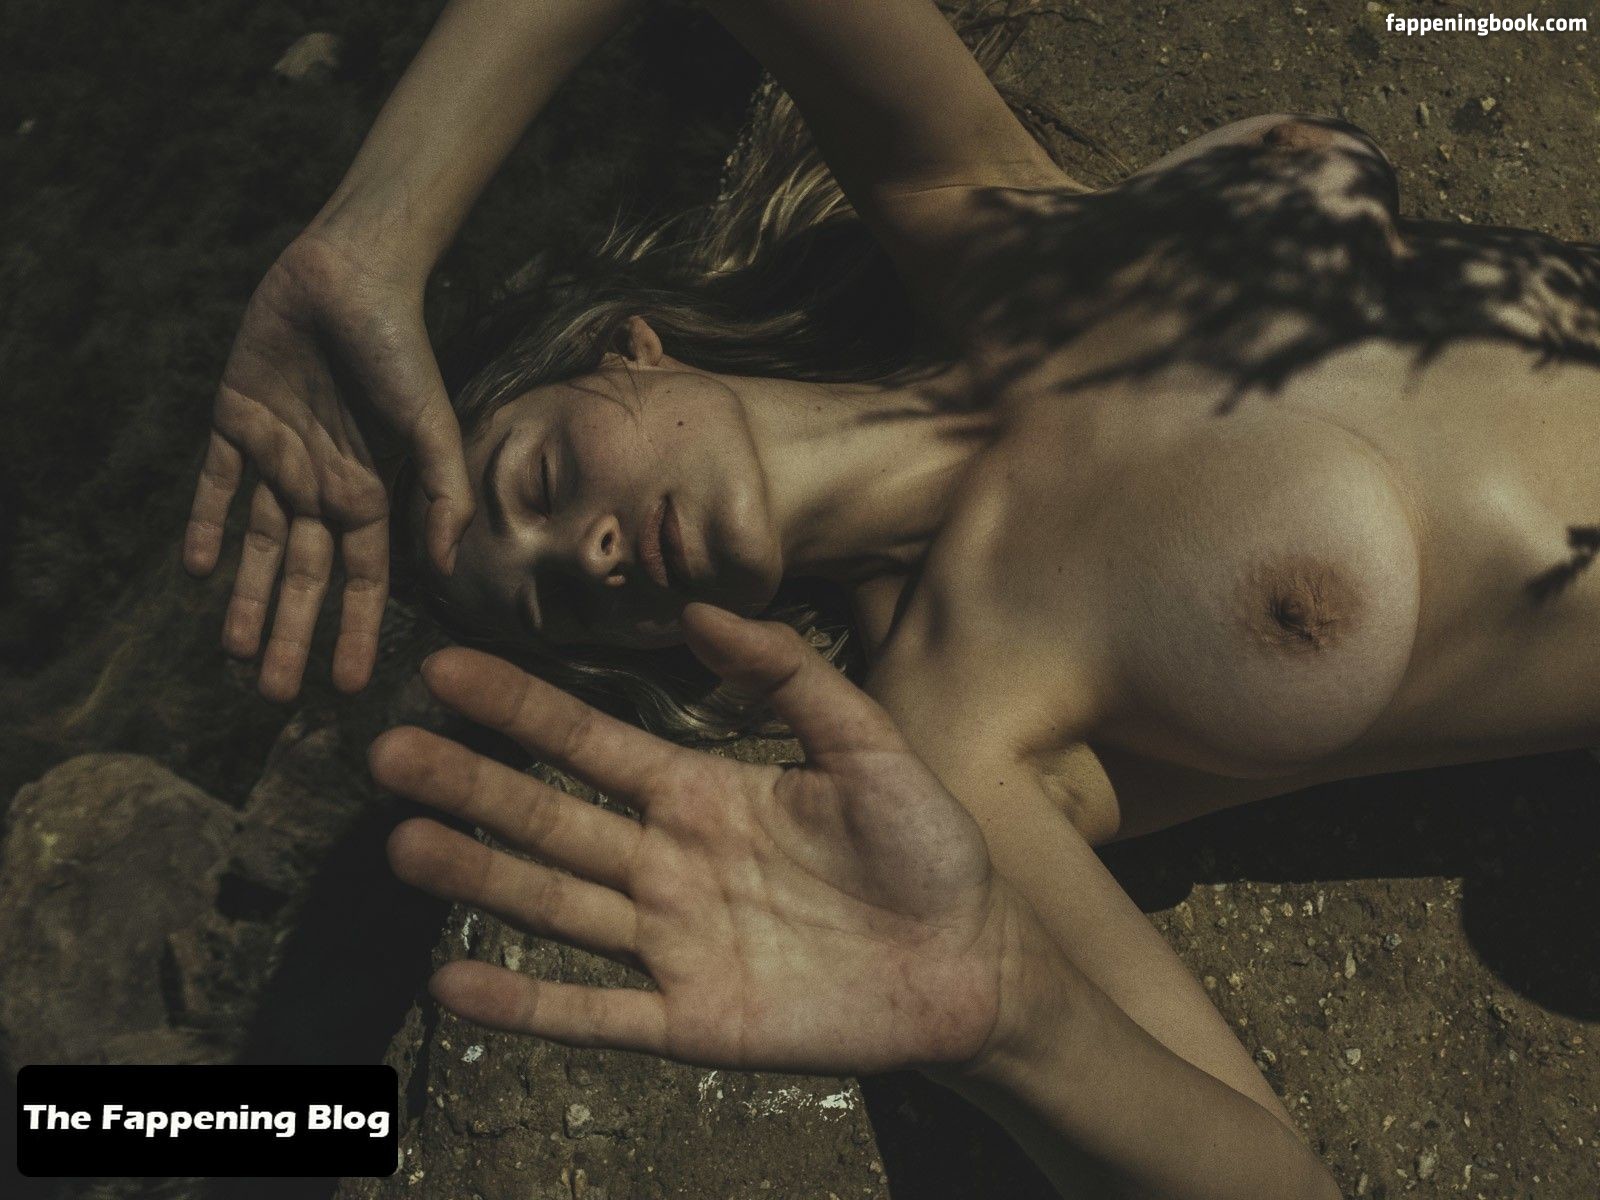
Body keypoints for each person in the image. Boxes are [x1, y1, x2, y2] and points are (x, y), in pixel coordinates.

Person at [182, 1, 1600, 1195]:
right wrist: (1011, 1026)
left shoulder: (976, 213)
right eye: (561, 602)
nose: (590, 552)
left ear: (630, 349)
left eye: (542, 480)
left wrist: (369, 240)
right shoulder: (957, 727)